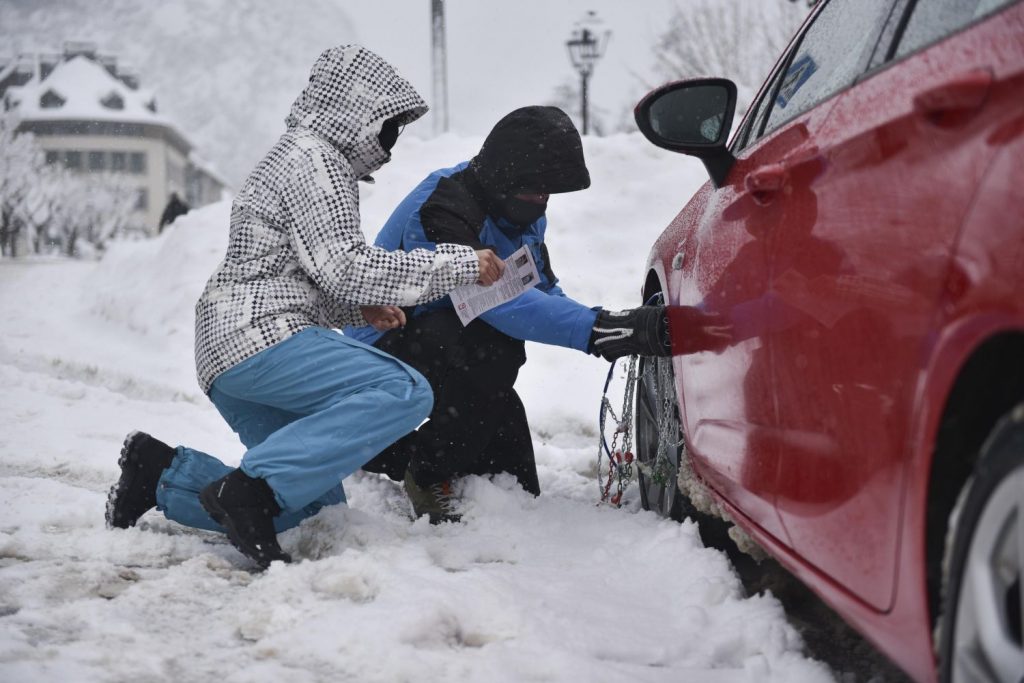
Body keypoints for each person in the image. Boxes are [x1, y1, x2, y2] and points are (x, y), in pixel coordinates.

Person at [104, 45, 505, 569]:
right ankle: (245, 490)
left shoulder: (296, 156)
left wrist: (353, 310)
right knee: (403, 389)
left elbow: (293, 270)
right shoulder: (318, 162)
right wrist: (461, 265)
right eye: (389, 125)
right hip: (261, 335)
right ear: (358, 110)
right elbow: (346, 266)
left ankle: (159, 474)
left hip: (228, 352)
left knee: (309, 504)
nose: (391, 142)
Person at [345, 106, 731, 523]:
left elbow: (540, 289)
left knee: (515, 483)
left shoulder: (521, 209)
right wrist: (597, 329)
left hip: (454, 342)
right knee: (493, 346)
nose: (542, 202)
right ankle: (417, 466)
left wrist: (608, 323)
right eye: (535, 193)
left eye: (548, 194)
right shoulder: (442, 209)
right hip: (385, 348)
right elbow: (493, 302)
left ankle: (421, 453)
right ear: (504, 180)